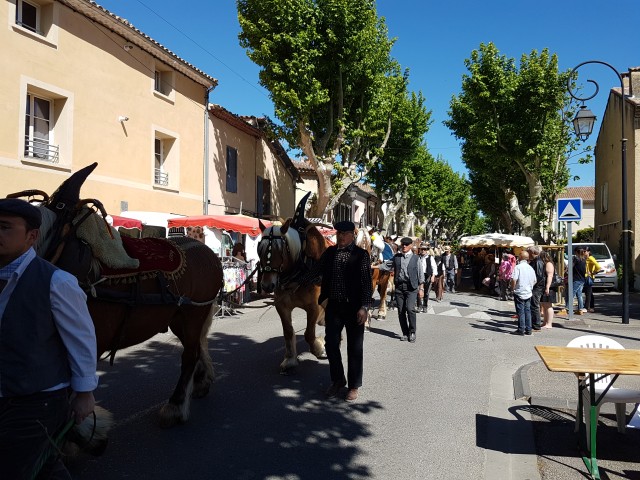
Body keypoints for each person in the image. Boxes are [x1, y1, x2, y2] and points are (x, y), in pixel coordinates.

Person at [0, 198, 98, 480]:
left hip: (38, 400)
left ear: (32, 237)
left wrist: (84, 393)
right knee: (42, 466)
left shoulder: (57, 282)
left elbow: (82, 340)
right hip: (5, 394)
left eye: (5, 227)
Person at [312, 220, 372, 402]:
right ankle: (338, 379)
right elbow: (316, 273)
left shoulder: (361, 255)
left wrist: (365, 307)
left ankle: (353, 386)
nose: (341, 237)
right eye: (339, 234)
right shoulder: (329, 253)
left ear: (352, 235)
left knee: (354, 347)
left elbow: (366, 284)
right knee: (330, 344)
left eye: (345, 234)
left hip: (354, 308)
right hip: (334, 307)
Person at [392, 237, 423, 343]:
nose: (404, 246)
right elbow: (387, 266)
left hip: (411, 288)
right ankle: (405, 333)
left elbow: (420, 273)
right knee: (401, 311)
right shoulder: (396, 257)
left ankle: (412, 332)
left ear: (410, 245)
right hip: (399, 287)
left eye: (406, 245)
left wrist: (421, 288)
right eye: (402, 245)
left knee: (410, 309)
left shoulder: (416, 258)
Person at [510, 250, 537, 335]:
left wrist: (513, 289)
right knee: (527, 311)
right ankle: (528, 330)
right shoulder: (530, 268)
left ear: (520, 257)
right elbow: (535, 280)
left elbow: (514, 280)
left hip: (519, 292)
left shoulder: (518, 267)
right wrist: (530, 287)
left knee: (520, 311)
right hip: (528, 292)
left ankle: (521, 329)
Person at [560, 247, 587, 315]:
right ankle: (580, 309)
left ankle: (567, 308)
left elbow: (570, 267)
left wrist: (565, 271)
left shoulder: (576, 259)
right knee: (579, 294)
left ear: (576, 252)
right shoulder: (584, 260)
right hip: (582, 279)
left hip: (576, 279)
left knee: (571, 294)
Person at [527, 246, 545, 331]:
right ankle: (534, 323)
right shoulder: (535, 261)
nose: (528, 254)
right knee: (533, 305)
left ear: (533, 253)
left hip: (536, 287)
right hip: (535, 286)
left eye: (529, 252)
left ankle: (536, 325)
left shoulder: (538, 262)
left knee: (534, 305)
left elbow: (539, 276)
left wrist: (532, 284)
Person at [538, 250, 556, 329]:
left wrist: (547, 287)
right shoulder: (545, 264)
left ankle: (549, 323)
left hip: (549, 287)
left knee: (548, 305)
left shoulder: (548, 264)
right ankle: (545, 322)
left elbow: (550, 276)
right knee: (544, 305)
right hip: (545, 287)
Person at [584, 246, 602, 313]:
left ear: (588, 252)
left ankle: (587, 307)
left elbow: (598, 267)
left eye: (585, 251)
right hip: (586, 277)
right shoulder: (585, 258)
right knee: (589, 292)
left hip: (589, 277)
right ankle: (591, 306)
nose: (584, 252)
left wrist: (593, 272)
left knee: (588, 292)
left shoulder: (591, 258)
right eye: (583, 251)